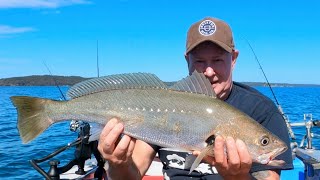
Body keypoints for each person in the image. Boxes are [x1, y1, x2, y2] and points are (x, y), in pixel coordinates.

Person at [98, 17, 293, 179]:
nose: (209, 71)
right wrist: (118, 164)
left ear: (233, 59)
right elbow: (132, 174)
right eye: (199, 61)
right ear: (187, 60)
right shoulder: (164, 104)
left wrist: (237, 177)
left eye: (217, 60)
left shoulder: (262, 111)